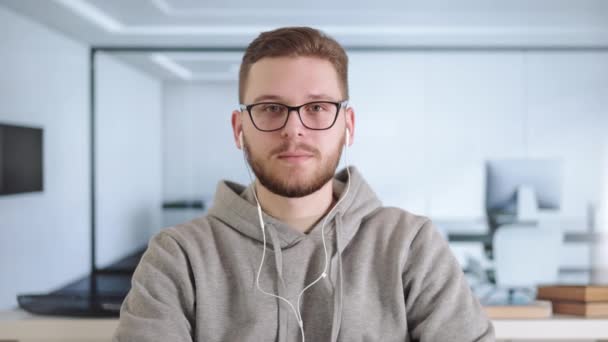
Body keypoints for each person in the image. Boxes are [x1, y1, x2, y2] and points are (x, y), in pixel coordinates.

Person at [113, 26, 495, 342]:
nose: (293, 129)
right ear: (239, 129)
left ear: (348, 126)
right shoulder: (178, 257)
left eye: (317, 108)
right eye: (271, 108)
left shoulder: (411, 245)